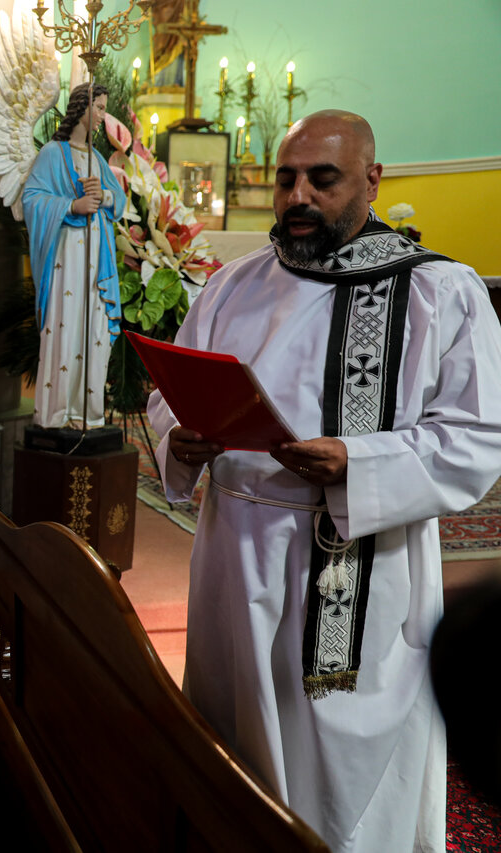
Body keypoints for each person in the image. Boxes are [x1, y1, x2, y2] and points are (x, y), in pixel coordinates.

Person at [148, 110, 501, 853]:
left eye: (322, 178)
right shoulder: (230, 286)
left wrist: (358, 464)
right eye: (285, 178)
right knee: (232, 750)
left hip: (356, 575)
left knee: (338, 789)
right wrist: (181, 437)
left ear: (373, 180)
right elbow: (166, 394)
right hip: (231, 558)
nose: (297, 195)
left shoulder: (443, 293)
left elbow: (478, 438)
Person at [23, 82, 128, 430]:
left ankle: (88, 411)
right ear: (81, 108)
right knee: (66, 327)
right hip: (66, 258)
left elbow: (118, 201)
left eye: (103, 108)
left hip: (97, 261)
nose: (102, 115)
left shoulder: (96, 158)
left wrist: (105, 198)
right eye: (98, 107)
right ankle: (58, 412)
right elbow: (32, 199)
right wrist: (72, 205)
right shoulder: (54, 153)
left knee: (92, 329)